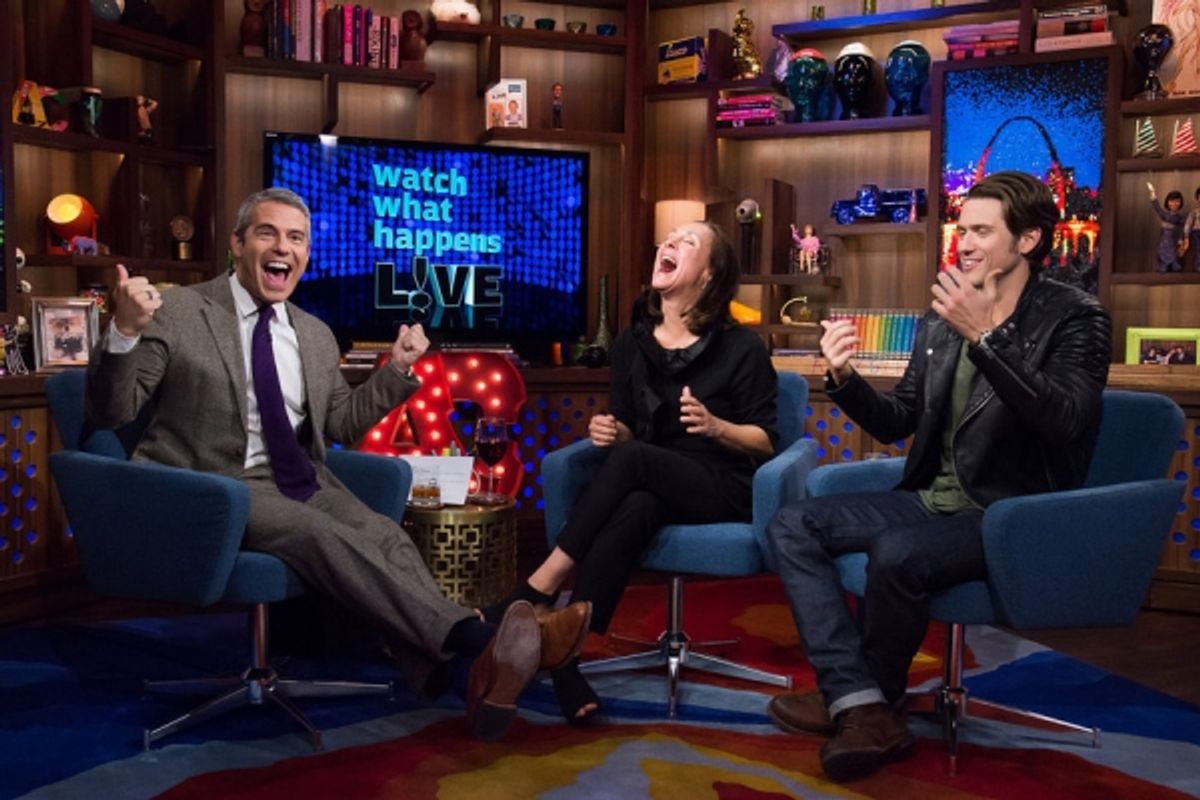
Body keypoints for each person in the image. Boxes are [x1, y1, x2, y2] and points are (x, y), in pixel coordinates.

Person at [84, 187, 591, 742]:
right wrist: (123, 331)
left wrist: (395, 370)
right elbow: (112, 412)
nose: (284, 248)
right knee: (321, 534)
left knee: (386, 535)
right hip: (214, 485)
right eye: (267, 233)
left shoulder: (313, 333)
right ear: (236, 245)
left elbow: (340, 425)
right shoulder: (181, 311)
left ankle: (462, 674)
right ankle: (484, 643)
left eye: (296, 238)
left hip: (300, 478)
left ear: (306, 254)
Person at [765, 171, 1112, 782]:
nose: (965, 243)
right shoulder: (940, 316)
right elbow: (901, 420)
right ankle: (862, 700)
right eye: (962, 229)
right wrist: (844, 379)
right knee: (793, 522)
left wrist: (985, 334)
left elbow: (1065, 421)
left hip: (1011, 512)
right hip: (932, 499)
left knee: (897, 553)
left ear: (1029, 239)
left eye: (982, 230)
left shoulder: (1074, 317)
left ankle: (862, 706)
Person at [487, 220, 779, 724]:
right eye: (667, 238)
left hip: (722, 482)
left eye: (686, 243)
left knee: (635, 463)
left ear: (708, 277)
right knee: (637, 500)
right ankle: (566, 660)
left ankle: (535, 589)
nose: (667, 243)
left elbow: (767, 441)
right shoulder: (631, 343)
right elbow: (629, 433)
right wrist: (610, 432)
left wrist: (716, 426)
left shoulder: (741, 348)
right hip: (651, 478)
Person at [1148, 182, 1186, 273]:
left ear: (1180, 203)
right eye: (1172, 201)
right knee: (1162, 258)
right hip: (1164, 242)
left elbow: (1182, 230)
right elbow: (1157, 208)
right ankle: (1162, 268)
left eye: (1177, 201)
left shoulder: (1180, 217)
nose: (1174, 204)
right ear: (1167, 202)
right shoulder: (1165, 215)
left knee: (1174, 258)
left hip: (1174, 242)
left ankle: (1175, 267)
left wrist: (1181, 241)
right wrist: (1153, 193)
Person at [1183, 186, 1200, 272]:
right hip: (1196, 233)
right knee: (1198, 250)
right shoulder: (1194, 212)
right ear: (1197, 199)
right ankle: (1198, 266)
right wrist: (1186, 236)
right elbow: (1188, 225)